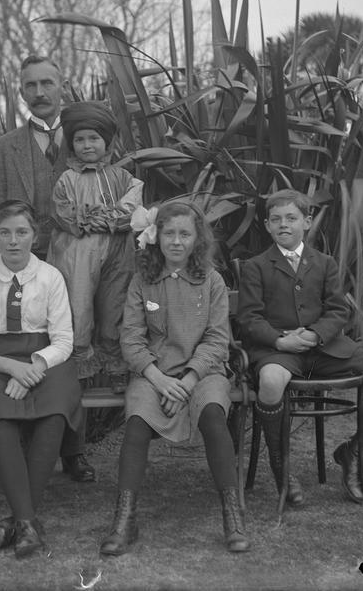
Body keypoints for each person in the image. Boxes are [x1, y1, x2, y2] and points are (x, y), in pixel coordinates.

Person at [236, 189, 363, 505]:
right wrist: (279, 339)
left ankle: (354, 451)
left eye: (291, 218)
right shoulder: (256, 266)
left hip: (326, 348)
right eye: (276, 220)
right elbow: (248, 318)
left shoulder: (325, 263)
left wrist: (314, 335)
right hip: (277, 351)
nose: (283, 225)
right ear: (267, 225)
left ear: (308, 221)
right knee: (271, 382)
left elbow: (339, 310)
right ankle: (281, 463)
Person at [101, 201, 250, 556]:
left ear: (197, 239)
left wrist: (186, 380)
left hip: (202, 372)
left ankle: (232, 514)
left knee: (214, 416)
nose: (177, 242)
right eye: (169, 233)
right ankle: (125, 518)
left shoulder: (211, 280)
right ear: (156, 236)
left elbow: (217, 339)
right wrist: (158, 378)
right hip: (153, 375)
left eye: (185, 234)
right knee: (136, 422)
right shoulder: (143, 281)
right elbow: (132, 339)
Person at [0, 55, 94, 483]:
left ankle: (74, 449)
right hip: (22, 262)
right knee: (32, 344)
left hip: (77, 260)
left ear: (63, 85)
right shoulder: (1, 149)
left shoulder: (86, 139)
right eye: (31, 85)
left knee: (72, 346)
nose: (40, 93)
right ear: (21, 91)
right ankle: (30, 437)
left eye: (48, 83)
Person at [0, 200, 81, 559]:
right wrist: (12, 369)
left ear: (34, 236)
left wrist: (35, 367)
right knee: (0, 415)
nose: (13, 241)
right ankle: (27, 521)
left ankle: (20, 522)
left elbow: (63, 341)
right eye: (5, 232)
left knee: (55, 410)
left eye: (21, 232)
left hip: (45, 360)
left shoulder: (50, 277)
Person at [49, 101, 142, 390]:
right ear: (71, 144)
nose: (87, 145)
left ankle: (115, 362)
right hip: (79, 253)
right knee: (80, 304)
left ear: (107, 141)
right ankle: (81, 364)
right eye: (79, 139)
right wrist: (101, 219)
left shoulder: (123, 177)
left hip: (118, 252)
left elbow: (132, 211)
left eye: (93, 138)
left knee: (115, 302)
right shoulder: (68, 179)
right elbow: (64, 215)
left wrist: (105, 219)